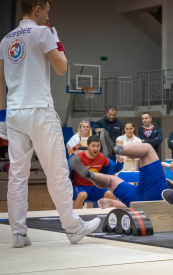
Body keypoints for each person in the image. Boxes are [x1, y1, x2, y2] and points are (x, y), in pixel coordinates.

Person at [0, 0, 100, 247]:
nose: (47, 15)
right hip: (39, 110)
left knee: (17, 175)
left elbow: (0, 80)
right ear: (36, 9)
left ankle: (19, 233)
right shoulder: (43, 32)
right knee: (57, 171)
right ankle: (73, 227)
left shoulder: (6, 40)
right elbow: (61, 68)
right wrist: (57, 42)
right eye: (46, 10)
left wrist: (3, 112)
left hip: (14, 112)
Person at [69, 142, 173, 209]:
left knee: (147, 150)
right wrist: (112, 203)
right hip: (140, 198)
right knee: (111, 181)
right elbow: (132, 205)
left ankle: (114, 149)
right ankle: (90, 175)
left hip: (159, 192)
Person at [71, 135, 122, 209]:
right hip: (80, 187)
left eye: (98, 146)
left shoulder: (102, 157)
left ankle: (109, 218)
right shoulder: (78, 158)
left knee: (111, 194)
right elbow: (66, 171)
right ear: (88, 146)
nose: (96, 148)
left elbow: (114, 169)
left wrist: (120, 162)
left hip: (95, 187)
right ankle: (75, 218)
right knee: (82, 195)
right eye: (93, 146)